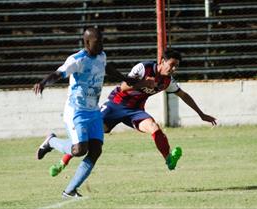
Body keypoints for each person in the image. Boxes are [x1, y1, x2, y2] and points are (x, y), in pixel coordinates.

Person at [49, 49, 217, 177]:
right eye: (171, 65)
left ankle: (169, 160)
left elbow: (183, 95)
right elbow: (123, 86)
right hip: (115, 105)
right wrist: (143, 82)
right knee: (90, 136)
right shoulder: (143, 68)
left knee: (154, 128)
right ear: (162, 61)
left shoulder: (167, 81)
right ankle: (62, 162)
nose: (173, 69)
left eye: (176, 67)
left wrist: (201, 114)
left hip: (135, 111)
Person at [34, 28, 107, 198]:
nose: (102, 45)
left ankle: (70, 190)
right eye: (98, 42)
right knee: (80, 150)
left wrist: (126, 79)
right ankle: (51, 142)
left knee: (96, 150)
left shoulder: (102, 56)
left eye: (103, 41)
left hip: (94, 111)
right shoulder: (77, 59)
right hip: (77, 111)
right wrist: (44, 82)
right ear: (87, 42)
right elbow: (59, 73)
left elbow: (106, 67)